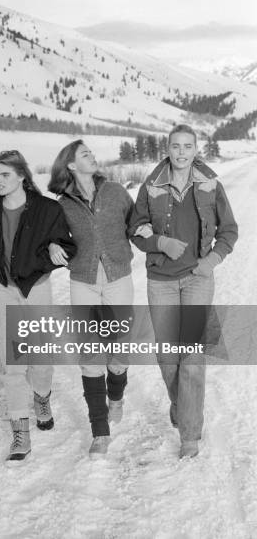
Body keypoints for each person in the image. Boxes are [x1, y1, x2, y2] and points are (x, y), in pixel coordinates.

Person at [129, 124, 238, 458]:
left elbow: (229, 230)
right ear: (168, 148)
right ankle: (181, 403)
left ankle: (189, 436)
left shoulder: (210, 183)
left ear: (195, 149)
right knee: (167, 356)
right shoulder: (151, 185)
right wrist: (160, 242)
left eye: (187, 146)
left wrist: (213, 260)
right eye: (175, 146)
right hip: (161, 281)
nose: (180, 152)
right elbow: (135, 229)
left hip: (197, 280)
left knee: (191, 357)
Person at [0, 150, 76, 465]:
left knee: (40, 360)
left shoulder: (47, 209)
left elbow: (67, 244)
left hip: (36, 288)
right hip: (2, 288)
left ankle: (42, 397)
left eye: (4, 174)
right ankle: (21, 433)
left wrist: (54, 246)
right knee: (13, 363)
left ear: (21, 176)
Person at [48, 140, 134, 459]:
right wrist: (52, 247)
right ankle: (100, 431)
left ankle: (117, 396)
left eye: (91, 153)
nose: (92, 157)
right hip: (82, 280)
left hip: (118, 277)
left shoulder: (114, 191)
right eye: (84, 154)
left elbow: (136, 222)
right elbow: (54, 237)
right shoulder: (62, 203)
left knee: (119, 348)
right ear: (70, 165)